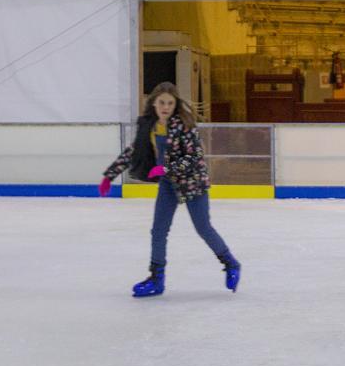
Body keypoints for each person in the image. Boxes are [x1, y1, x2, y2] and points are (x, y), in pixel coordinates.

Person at [98, 82, 240, 297]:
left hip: (192, 182)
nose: (165, 107)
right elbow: (133, 152)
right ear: (154, 102)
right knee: (158, 230)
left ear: (176, 105)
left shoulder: (184, 125)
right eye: (162, 102)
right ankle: (156, 278)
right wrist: (110, 175)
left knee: (203, 227)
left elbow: (194, 158)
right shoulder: (149, 126)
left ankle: (231, 263)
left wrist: (165, 167)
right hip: (167, 185)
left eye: (170, 103)